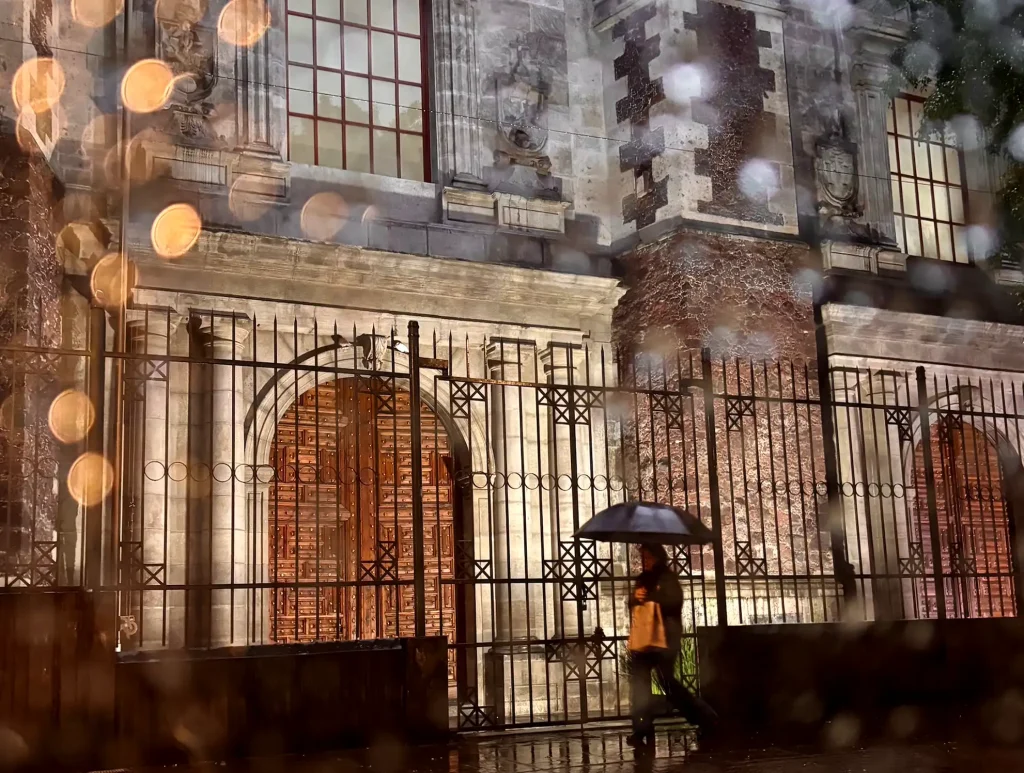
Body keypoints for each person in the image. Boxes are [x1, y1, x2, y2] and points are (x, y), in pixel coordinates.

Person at [627, 543, 718, 749]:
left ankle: (706, 718)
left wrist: (652, 597)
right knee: (640, 684)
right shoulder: (643, 579)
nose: (645, 561)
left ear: (658, 557)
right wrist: (635, 599)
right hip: (644, 639)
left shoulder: (667, 578)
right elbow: (633, 604)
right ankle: (642, 729)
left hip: (665, 639)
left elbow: (674, 603)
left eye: (648, 556)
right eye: (643, 557)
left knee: (668, 683)